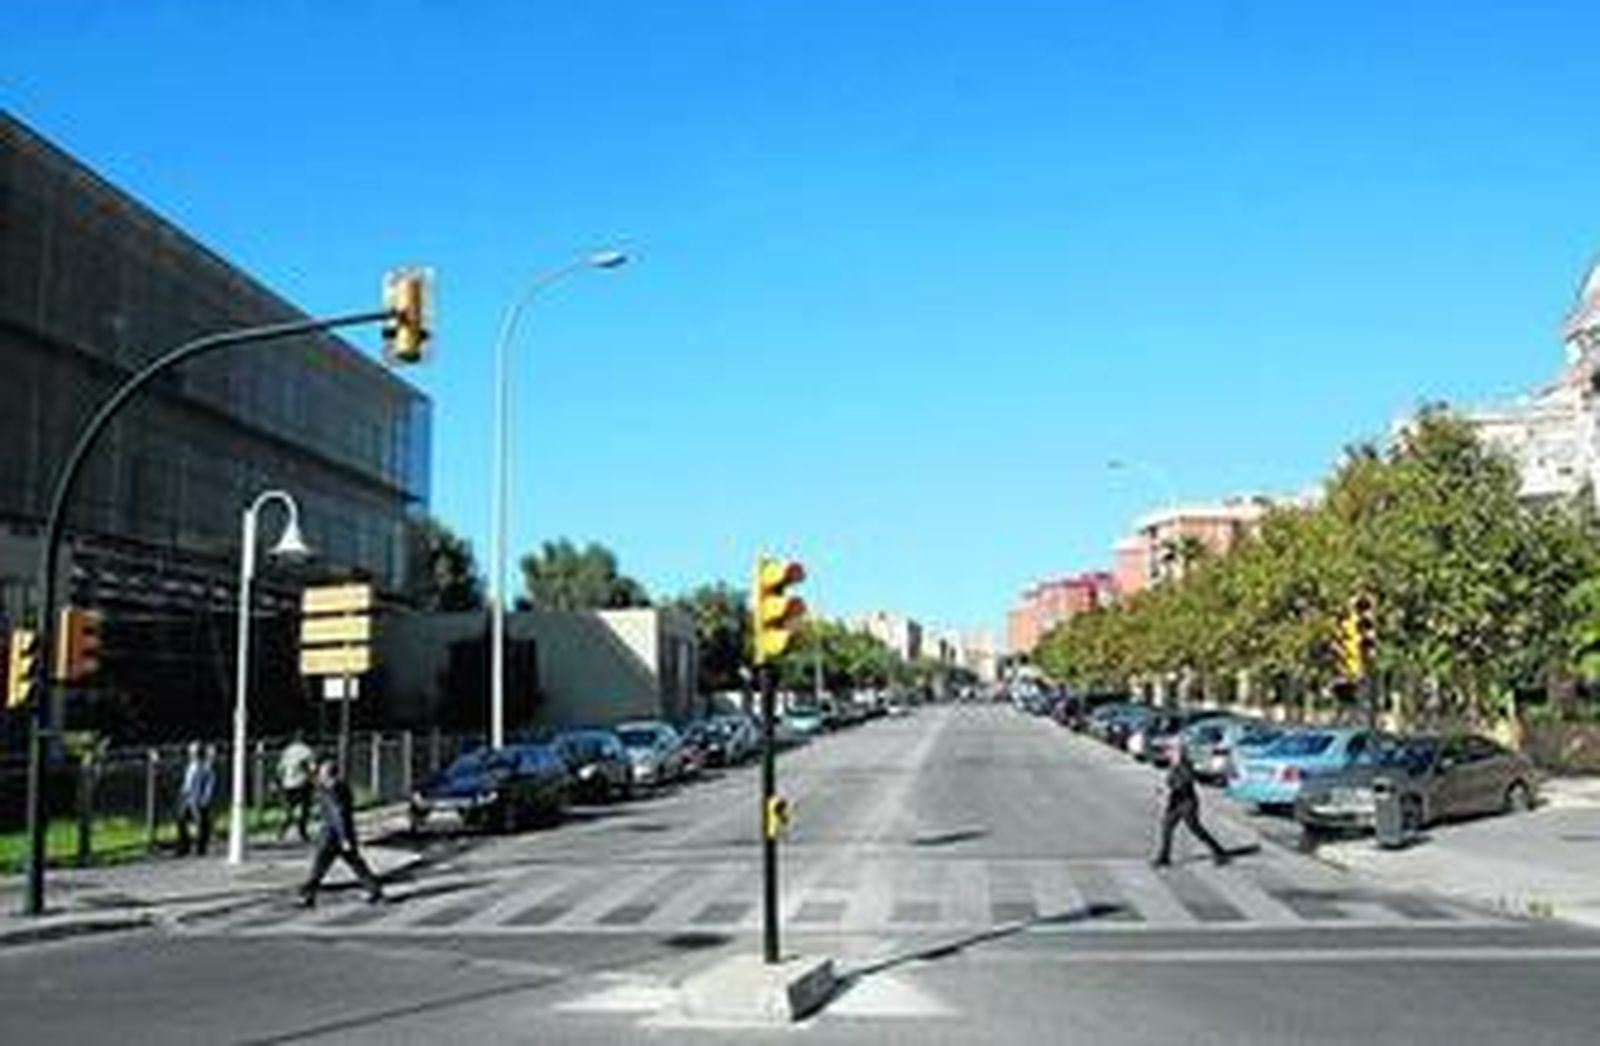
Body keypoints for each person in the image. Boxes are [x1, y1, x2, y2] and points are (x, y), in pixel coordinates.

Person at [298, 759, 385, 907]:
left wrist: (344, 838)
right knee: (353, 865)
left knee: (321, 866)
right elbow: (314, 781)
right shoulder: (336, 787)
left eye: (322, 774)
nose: (320, 776)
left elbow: (338, 814)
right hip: (339, 834)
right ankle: (375, 891)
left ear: (329, 775)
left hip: (333, 835)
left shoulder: (333, 790)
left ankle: (308, 894)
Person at [1152, 747, 1230, 868]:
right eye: (1170, 753)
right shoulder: (1173, 766)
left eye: (1172, 753)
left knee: (1196, 829)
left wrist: (1169, 788)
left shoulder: (1185, 766)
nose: (1169, 754)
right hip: (1175, 803)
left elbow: (1184, 783)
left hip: (1187, 803)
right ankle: (1164, 857)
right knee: (1166, 827)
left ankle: (1219, 852)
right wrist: (1164, 789)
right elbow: (1170, 781)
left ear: (1180, 755)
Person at [174, 741, 217, 857]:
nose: (191, 753)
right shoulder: (190, 766)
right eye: (191, 751)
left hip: (196, 799)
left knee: (200, 823)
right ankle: (184, 846)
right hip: (187, 797)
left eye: (193, 751)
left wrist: (204, 799)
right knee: (181, 820)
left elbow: (209, 783)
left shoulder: (204, 767)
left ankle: (200, 848)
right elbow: (187, 781)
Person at [276, 733, 316, 842]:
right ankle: (303, 832)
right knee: (304, 808)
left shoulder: (287, 750)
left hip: (287, 783)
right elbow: (312, 768)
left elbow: (280, 768)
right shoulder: (307, 751)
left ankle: (282, 830)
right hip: (301, 782)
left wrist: (279, 782)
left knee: (290, 809)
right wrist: (313, 780)